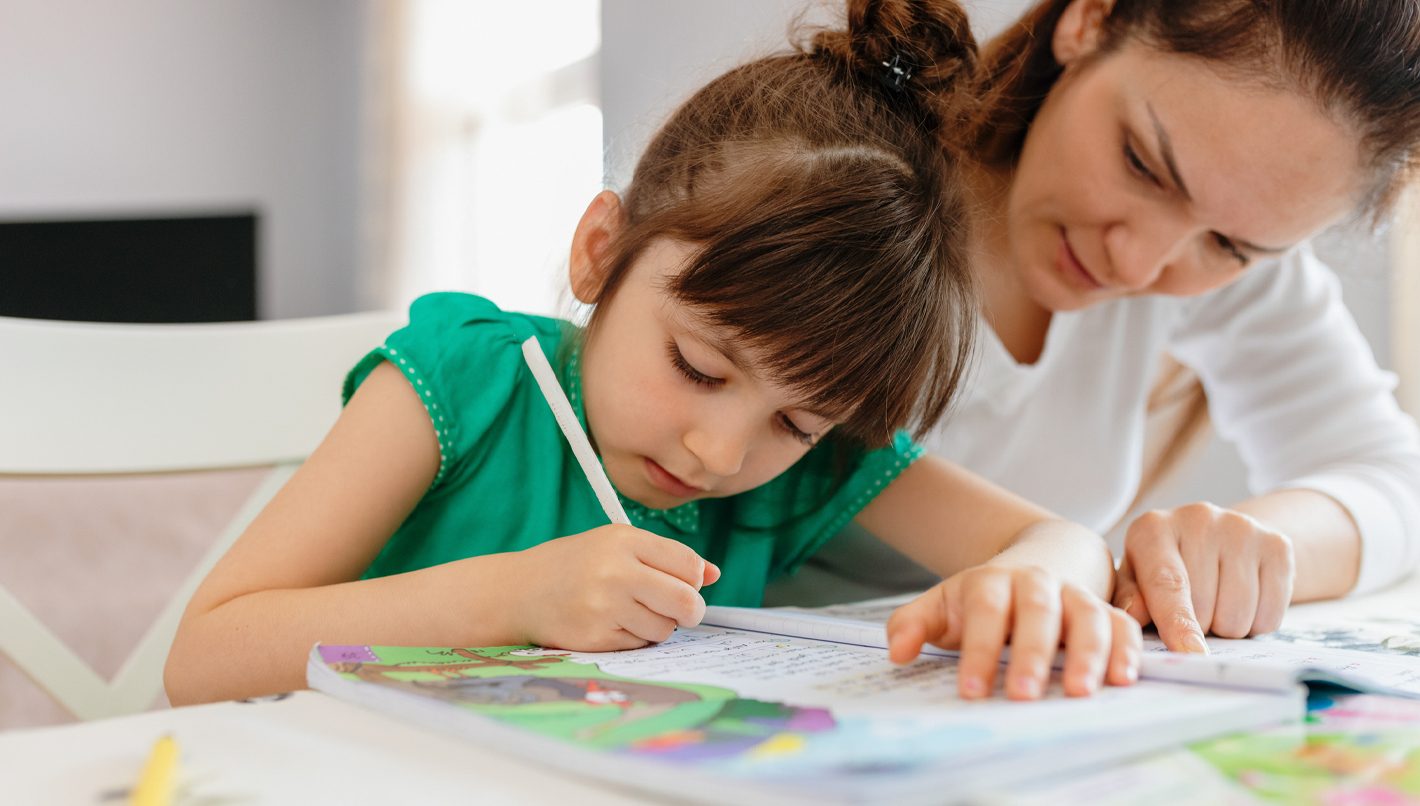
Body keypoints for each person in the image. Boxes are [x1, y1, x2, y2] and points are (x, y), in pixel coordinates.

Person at [165, 0, 1142, 707]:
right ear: (601, 250)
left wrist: (1036, 578)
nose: (722, 453)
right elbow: (206, 653)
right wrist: (520, 594)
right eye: (699, 367)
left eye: (796, 421)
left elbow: (1058, 539)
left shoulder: (807, 464)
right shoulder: (465, 378)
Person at [777, 0, 1420, 653]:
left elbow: (1393, 477)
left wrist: (1241, 547)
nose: (1137, 264)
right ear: (1089, 19)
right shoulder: (831, 192)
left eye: (1229, 246)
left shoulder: (1235, 237)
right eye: (1141, 163)